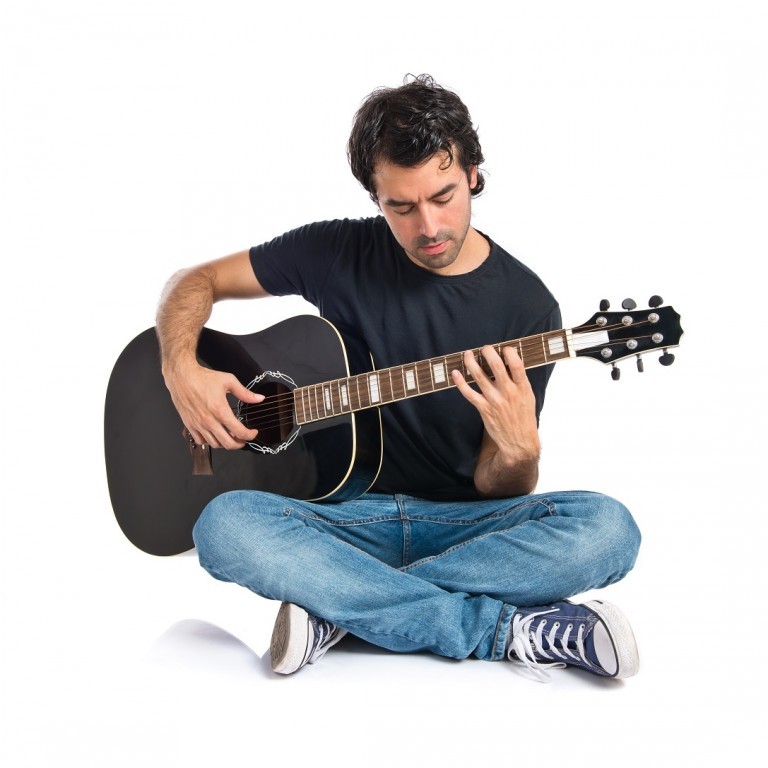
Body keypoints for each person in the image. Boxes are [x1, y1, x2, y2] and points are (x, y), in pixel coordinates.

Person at [156, 74, 641, 681]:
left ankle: (341, 609)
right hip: (337, 520)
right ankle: (505, 631)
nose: (429, 226)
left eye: (443, 196)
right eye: (402, 207)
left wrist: (519, 454)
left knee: (609, 531)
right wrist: (182, 369)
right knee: (223, 526)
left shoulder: (527, 308)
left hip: (463, 531)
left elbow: (501, 488)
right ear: (375, 197)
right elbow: (194, 282)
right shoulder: (333, 252)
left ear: (472, 174)